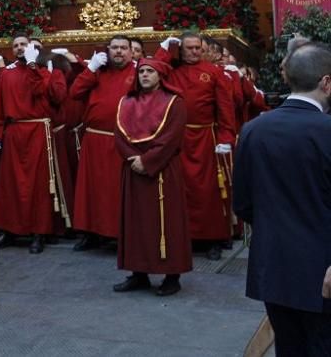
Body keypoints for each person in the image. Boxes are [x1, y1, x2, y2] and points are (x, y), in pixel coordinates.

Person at [234, 42, 331, 355]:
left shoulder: (253, 129)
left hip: (273, 265)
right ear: (326, 82)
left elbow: (243, 203)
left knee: (289, 348)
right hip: (323, 270)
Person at [113, 57, 191, 296]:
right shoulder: (126, 101)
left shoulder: (174, 102)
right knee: (135, 222)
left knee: (168, 222)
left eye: (150, 71)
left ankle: (172, 275)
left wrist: (146, 161)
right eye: (141, 71)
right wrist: (132, 158)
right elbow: (119, 135)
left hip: (163, 170)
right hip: (133, 170)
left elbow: (171, 138)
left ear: (160, 75)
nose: (144, 75)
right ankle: (139, 273)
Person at [156, 33, 237, 260]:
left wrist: (225, 138)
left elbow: (225, 109)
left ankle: (213, 239)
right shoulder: (171, 70)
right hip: (177, 138)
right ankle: (185, 237)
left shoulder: (214, 72)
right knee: (180, 190)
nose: (193, 52)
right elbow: (153, 70)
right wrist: (164, 49)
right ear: (180, 50)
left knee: (208, 190)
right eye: (188, 48)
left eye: (197, 48)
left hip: (205, 138)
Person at [0, 36, 67, 253]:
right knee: (10, 183)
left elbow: (47, 94)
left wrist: (34, 66)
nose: (20, 48)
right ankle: (7, 229)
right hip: (14, 131)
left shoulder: (45, 71)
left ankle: (38, 232)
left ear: (33, 48)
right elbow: (0, 106)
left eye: (24, 44)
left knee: (38, 184)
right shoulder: (7, 75)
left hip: (37, 131)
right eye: (15, 46)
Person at [69, 36, 136, 250]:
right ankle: (90, 233)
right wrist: (90, 69)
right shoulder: (97, 71)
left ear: (131, 52)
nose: (118, 52)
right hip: (95, 138)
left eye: (123, 48)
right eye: (114, 48)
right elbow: (75, 92)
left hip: (124, 140)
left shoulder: (139, 71)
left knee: (117, 190)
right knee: (92, 189)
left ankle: (120, 233)